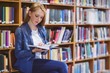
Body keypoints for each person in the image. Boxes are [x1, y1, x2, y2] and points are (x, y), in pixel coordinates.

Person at [14, 2, 68, 73]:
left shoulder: (42, 29)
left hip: (39, 61)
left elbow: (44, 52)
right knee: (63, 65)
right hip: (28, 63)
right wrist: (33, 51)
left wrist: (44, 48)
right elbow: (18, 54)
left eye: (41, 17)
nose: (38, 19)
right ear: (30, 13)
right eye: (36, 16)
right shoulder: (20, 30)